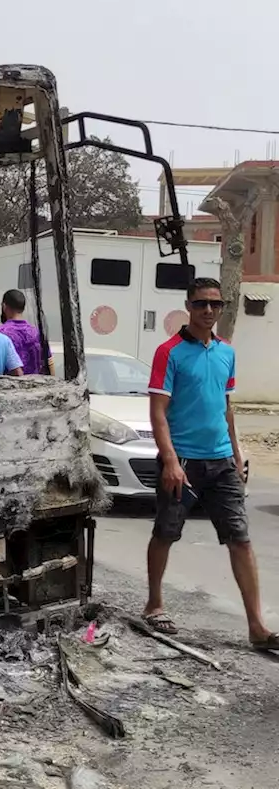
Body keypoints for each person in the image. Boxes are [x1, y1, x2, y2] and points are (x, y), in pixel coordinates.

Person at [145, 277, 275, 649]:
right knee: (166, 533)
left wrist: (237, 455)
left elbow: (226, 406)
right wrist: (170, 460)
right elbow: (158, 411)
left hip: (221, 461)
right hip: (182, 461)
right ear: (188, 306)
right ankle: (154, 604)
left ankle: (257, 627)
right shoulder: (169, 352)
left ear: (221, 309)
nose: (207, 311)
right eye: (201, 304)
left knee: (241, 539)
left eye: (215, 305)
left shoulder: (226, 352)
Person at [0, 290, 53, 376]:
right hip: (37, 386)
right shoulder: (38, 333)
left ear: (4, 306)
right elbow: (50, 363)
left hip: (9, 387)